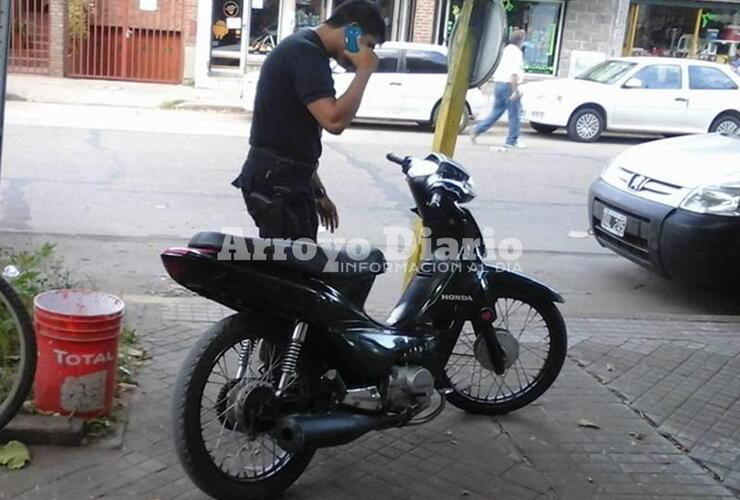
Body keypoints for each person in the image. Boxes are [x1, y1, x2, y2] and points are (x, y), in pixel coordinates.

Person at [232, 0, 385, 241]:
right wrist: (364, 70)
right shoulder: (305, 52)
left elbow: (294, 135)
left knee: (297, 265)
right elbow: (334, 121)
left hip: (285, 177)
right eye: (369, 45)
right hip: (278, 182)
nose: (370, 53)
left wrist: (317, 191)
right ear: (352, 30)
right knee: (291, 272)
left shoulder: (306, 48)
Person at [469, 29, 526, 149]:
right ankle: (512, 140)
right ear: (521, 40)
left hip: (498, 83)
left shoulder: (504, 50)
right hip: (509, 85)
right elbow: (513, 73)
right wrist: (515, 91)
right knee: (514, 113)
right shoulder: (517, 53)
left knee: (496, 111)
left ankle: (477, 130)